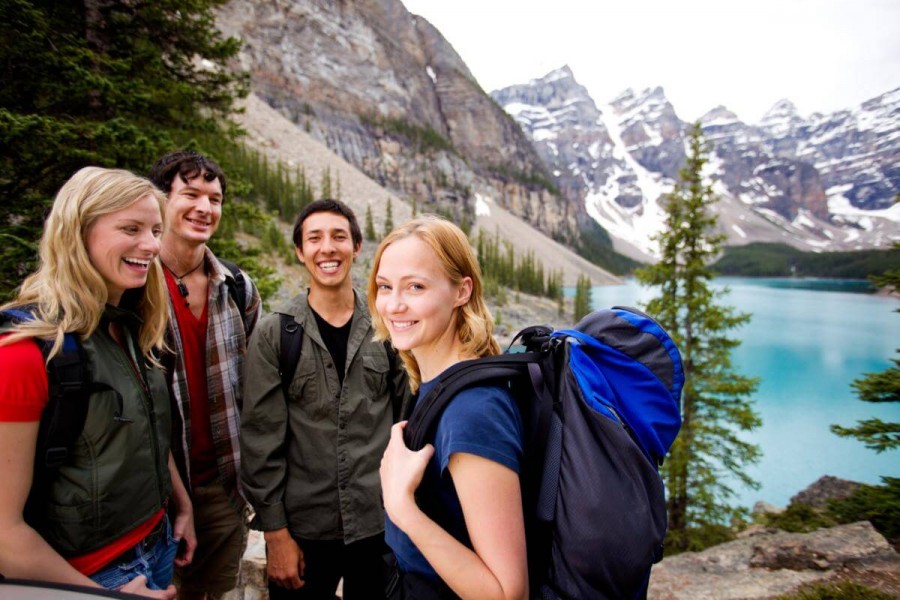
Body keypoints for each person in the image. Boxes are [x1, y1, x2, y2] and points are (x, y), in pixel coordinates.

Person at [0, 167, 196, 598]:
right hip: (87, 575)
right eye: (131, 228)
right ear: (77, 233)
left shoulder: (129, 326)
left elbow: (143, 422)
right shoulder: (23, 353)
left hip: (157, 539)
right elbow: (5, 535)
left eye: (155, 230)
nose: (151, 245)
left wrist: (180, 503)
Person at [241, 199, 409, 600]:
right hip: (303, 530)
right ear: (300, 252)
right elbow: (260, 441)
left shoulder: (387, 327)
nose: (327, 248)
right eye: (314, 238)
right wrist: (276, 535)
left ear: (356, 247)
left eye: (338, 237)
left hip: (379, 525)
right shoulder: (274, 334)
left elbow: (409, 420)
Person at [370, 216, 528, 600]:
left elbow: (507, 593)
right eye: (384, 286)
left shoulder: (473, 411)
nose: (393, 304)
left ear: (461, 291)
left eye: (416, 287)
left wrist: (401, 506)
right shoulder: (436, 383)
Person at [149, 151, 261, 600]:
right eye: (190, 194)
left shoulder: (238, 287)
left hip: (223, 489)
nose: (204, 208)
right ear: (161, 201)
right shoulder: (134, 285)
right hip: (152, 494)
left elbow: (256, 387)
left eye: (214, 198)